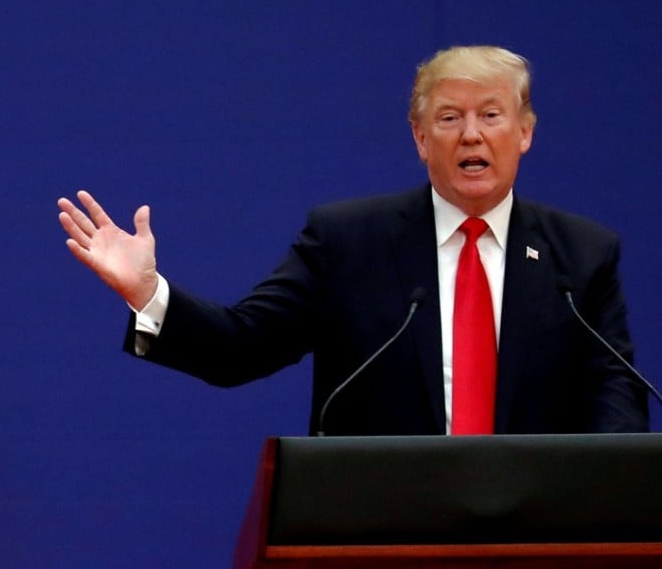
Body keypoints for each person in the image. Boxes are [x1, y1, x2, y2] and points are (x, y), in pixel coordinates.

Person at [57, 45, 648, 436]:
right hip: (382, 531)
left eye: (491, 115)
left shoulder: (582, 255)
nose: (471, 134)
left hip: (536, 538)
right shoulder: (348, 243)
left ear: (524, 134)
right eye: (449, 118)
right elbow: (240, 348)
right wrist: (147, 292)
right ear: (420, 138)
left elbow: (615, 400)